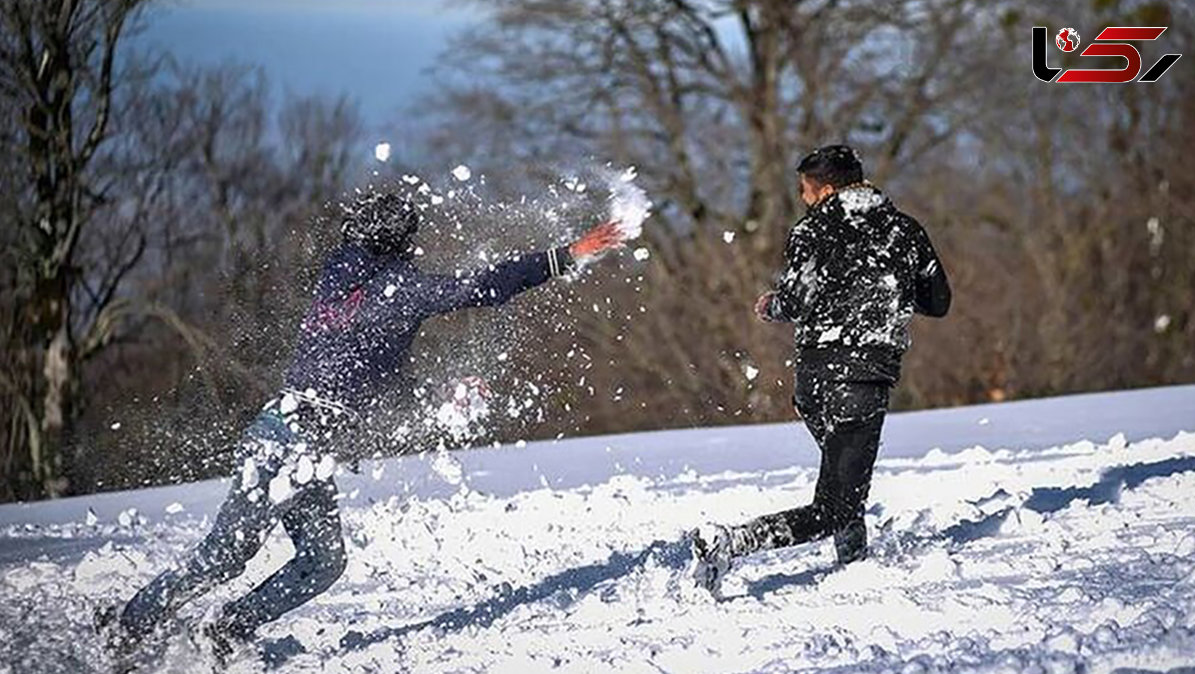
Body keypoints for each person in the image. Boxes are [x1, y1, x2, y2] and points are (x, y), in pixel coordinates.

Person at [97, 191, 625, 664]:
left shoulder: (339, 272)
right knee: (226, 555)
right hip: (288, 441)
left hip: (300, 447)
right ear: (401, 245)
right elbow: (482, 287)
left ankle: (225, 632)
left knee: (323, 561)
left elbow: (376, 374)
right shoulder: (399, 288)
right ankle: (126, 626)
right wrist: (567, 255)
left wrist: (439, 397)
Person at [689, 145, 951, 595]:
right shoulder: (905, 231)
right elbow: (938, 302)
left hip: (814, 380)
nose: (804, 199)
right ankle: (729, 542)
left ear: (826, 190)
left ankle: (854, 565)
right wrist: (892, 288)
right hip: (864, 377)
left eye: (805, 191)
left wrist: (772, 306)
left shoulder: (811, 230)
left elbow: (796, 299)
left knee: (842, 481)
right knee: (835, 502)